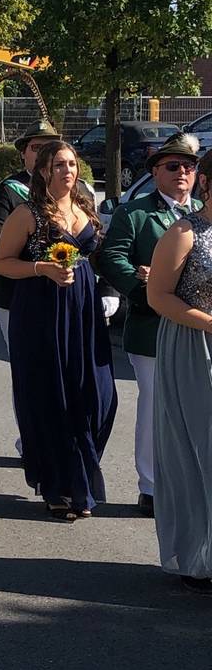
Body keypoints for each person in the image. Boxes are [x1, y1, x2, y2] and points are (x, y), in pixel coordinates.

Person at [0, 141, 117, 520]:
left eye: (72, 164)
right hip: (40, 312)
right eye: (60, 164)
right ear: (44, 170)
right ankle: (59, 487)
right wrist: (41, 269)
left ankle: (79, 476)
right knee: (50, 397)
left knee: (98, 395)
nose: (68, 171)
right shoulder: (26, 213)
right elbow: (2, 263)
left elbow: (98, 257)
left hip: (83, 310)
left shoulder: (84, 206)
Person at [99, 133, 202, 517]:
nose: (182, 173)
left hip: (199, 327)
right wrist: (146, 291)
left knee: (196, 408)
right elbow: (112, 257)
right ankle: (152, 486)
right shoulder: (136, 213)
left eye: (188, 166)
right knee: (156, 406)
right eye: (172, 166)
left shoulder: (203, 212)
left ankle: (190, 481)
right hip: (152, 326)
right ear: (155, 172)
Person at [147, 149, 212, 593]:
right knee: (199, 450)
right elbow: (159, 296)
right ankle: (197, 555)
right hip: (194, 345)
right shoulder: (184, 232)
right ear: (207, 183)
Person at [0, 120, 63, 353]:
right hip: (17, 293)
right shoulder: (8, 191)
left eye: (49, 147)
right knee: (28, 363)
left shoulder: (71, 190)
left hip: (59, 292)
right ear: (23, 153)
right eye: (36, 148)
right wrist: (39, 256)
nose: (43, 153)